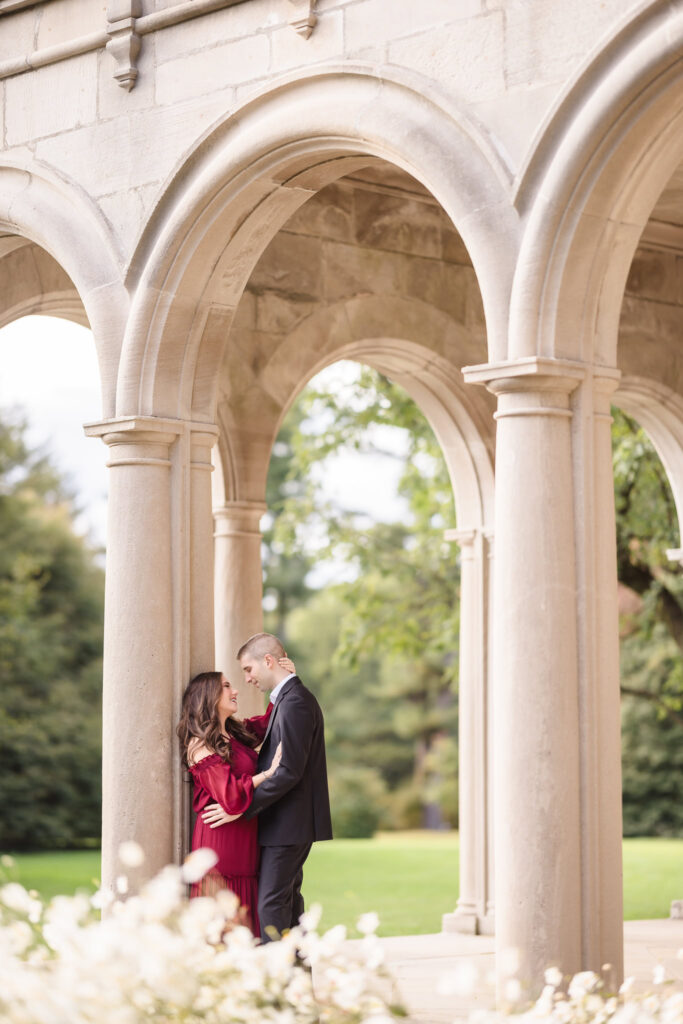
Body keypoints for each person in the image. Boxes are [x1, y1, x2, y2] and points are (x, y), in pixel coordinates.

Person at [202, 632, 332, 942]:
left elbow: (288, 771)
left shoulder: (296, 702)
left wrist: (242, 807)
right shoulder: (289, 699)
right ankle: (295, 979)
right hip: (287, 824)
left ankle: (277, 980)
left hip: (289, 824)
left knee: (271, 906)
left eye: (248, 669)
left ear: (269, 661)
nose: (247, 679)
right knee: (287, 905)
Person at [176, 662, 292, 936]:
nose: (235, 690)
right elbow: (229, 795)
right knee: (223, 930)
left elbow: (267, 724)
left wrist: (285, 681)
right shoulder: (199, 744)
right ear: (208, 696)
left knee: (248, 926)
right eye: (227, 686)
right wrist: (268, 774)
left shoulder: (235, 734)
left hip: (245, 840)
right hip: (220, 846)